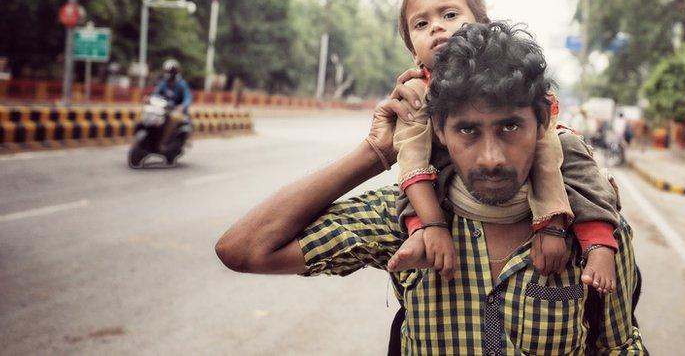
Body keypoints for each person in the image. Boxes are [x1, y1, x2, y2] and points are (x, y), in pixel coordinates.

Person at [215, 22, 646, 355]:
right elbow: (244, 249)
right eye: (468, 130)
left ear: (543, 124)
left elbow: (618, 345)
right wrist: (374, 153)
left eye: (511, 126)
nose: (491, 156)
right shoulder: (405, 222)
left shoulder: (595, 231)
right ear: (439, 131)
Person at [387, 0, 619, 293]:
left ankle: (598, 241)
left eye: (449, 15)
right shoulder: (413, 93)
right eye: (421, 24)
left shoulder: (509, 75)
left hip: (546, 169)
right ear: (413, 49)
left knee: (569, 152)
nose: (436, 27)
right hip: (433, 186)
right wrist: (431, 224)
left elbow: (546, 148)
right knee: (411, 176)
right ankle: (417, 233)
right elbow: (411, 160)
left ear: (481, 25)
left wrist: (551, 226)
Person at [153, 59, 192, 152]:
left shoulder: (182, 84)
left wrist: (182, 106)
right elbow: (156, 93)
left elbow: (188, 98)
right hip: (163, 108)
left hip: (177, 111)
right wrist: (151, 99)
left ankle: (164, 142)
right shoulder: (164, 83)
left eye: (170, 72)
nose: (168, 73)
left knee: (174, 117)